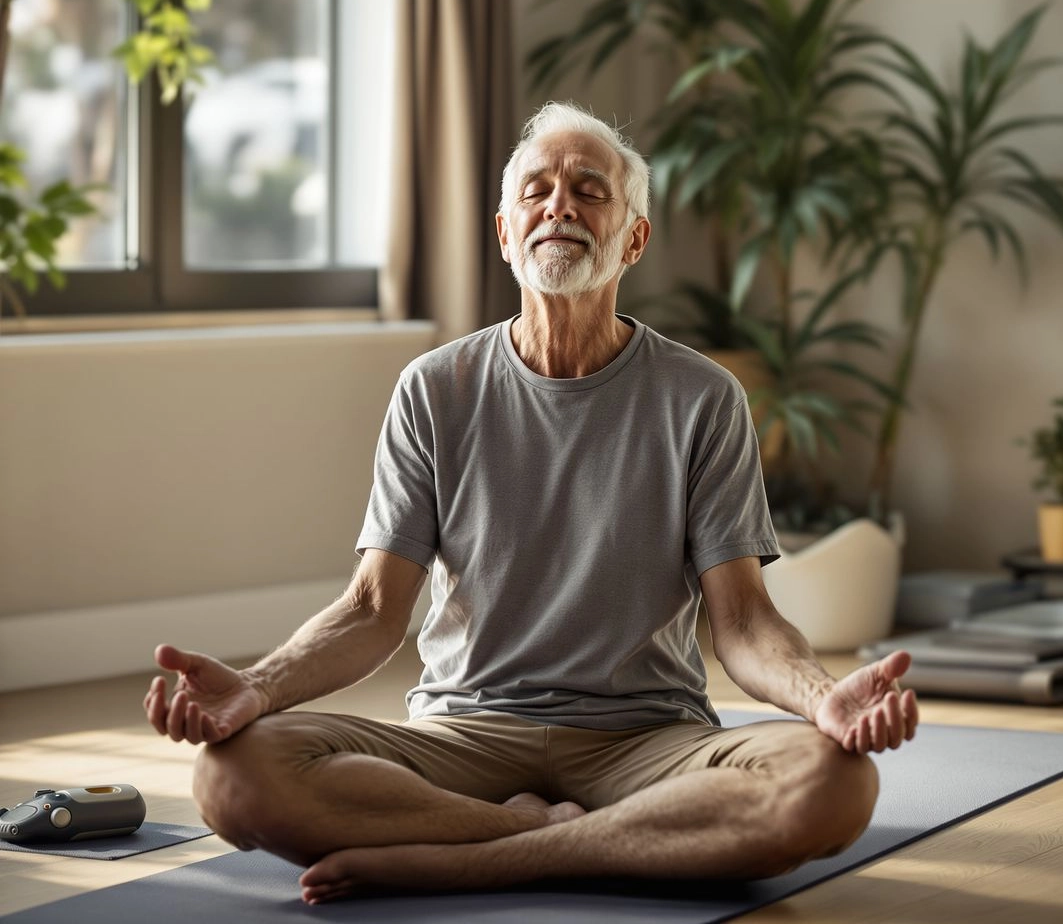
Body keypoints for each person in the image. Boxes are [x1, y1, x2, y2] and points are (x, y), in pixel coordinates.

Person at [145, 101, 918, 905]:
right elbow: (374, 610)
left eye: (590, 190)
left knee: (832, 782)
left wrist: (823, 700)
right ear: (507, 233)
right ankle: (558, 839)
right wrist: (256, 687)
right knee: (233, 775)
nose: (561, 205)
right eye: (537, 191)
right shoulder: (434, 389)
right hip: (462, 734)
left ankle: (462, 858)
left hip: (646, 740)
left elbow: (746, 624)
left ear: (634, 239)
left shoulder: (703, 397)